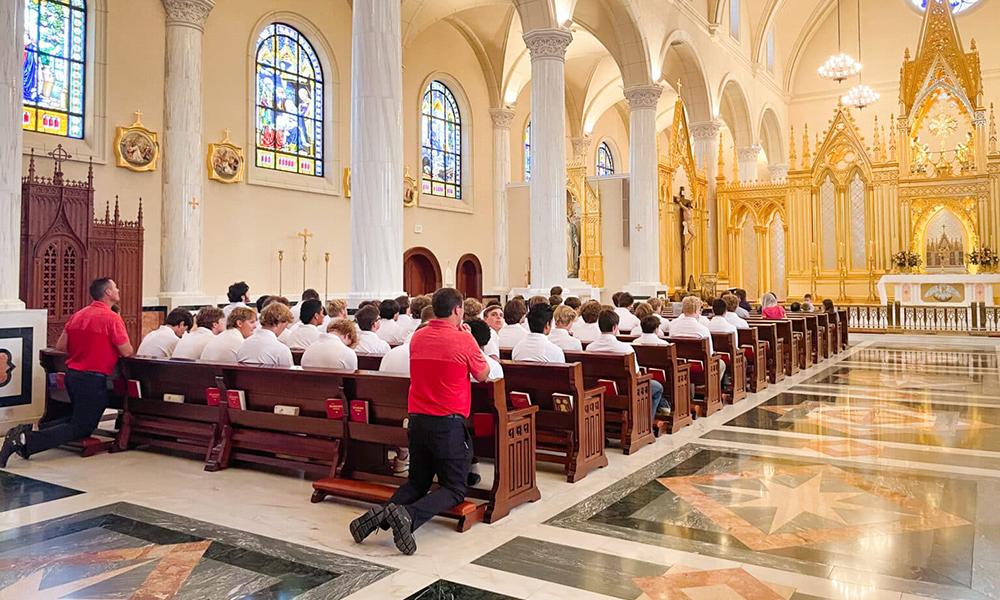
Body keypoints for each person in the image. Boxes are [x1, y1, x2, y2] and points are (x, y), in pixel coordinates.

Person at [349, 288, 489, 555]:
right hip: (447, 423)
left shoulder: (418, 336)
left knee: (417, 482)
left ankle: (381, 515)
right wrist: (469, 339)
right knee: (455, 488)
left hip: (417, 419)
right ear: (458, 310)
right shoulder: (463, 340)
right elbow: (482, 375)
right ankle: (409, 516)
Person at [1, 278, 134, 467]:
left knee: (78, 418)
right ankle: (24, 440)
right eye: (115, 287)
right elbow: (127, 351)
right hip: (93, 378)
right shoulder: (112, 318)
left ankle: (27, 429)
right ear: (108, 293)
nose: (118, 290)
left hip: (73, 375)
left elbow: (61, 346)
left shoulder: (79, 315)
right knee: (82, 426)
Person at [588, 309, 668, 421]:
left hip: (599, 388)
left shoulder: (590, 347)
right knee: (658, 387)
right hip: (626, 390)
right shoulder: (625, 348)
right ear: (614, 327)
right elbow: (637, 374)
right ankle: (645, 423)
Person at [670, 296, 726, 383]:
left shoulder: (673, 325)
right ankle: (711, 390)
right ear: (696, 310)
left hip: (680, 364)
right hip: (700, 367)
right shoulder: (702, 329)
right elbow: (710, 353)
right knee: (721, 364)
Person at [236, 302, 295, 367]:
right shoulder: (281, 349)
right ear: (280, 323)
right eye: (286, 325)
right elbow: (289, 375)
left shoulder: (243, 345)